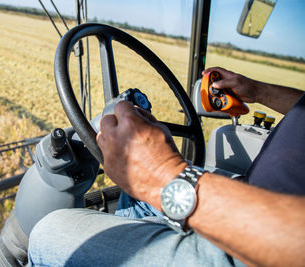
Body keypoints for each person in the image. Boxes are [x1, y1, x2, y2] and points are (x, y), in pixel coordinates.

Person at [28, 67, 305, 266]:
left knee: (48, 233)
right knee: (136, 193)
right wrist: (258, 90)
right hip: (258, 198)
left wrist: (164, 174)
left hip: (255, 251)